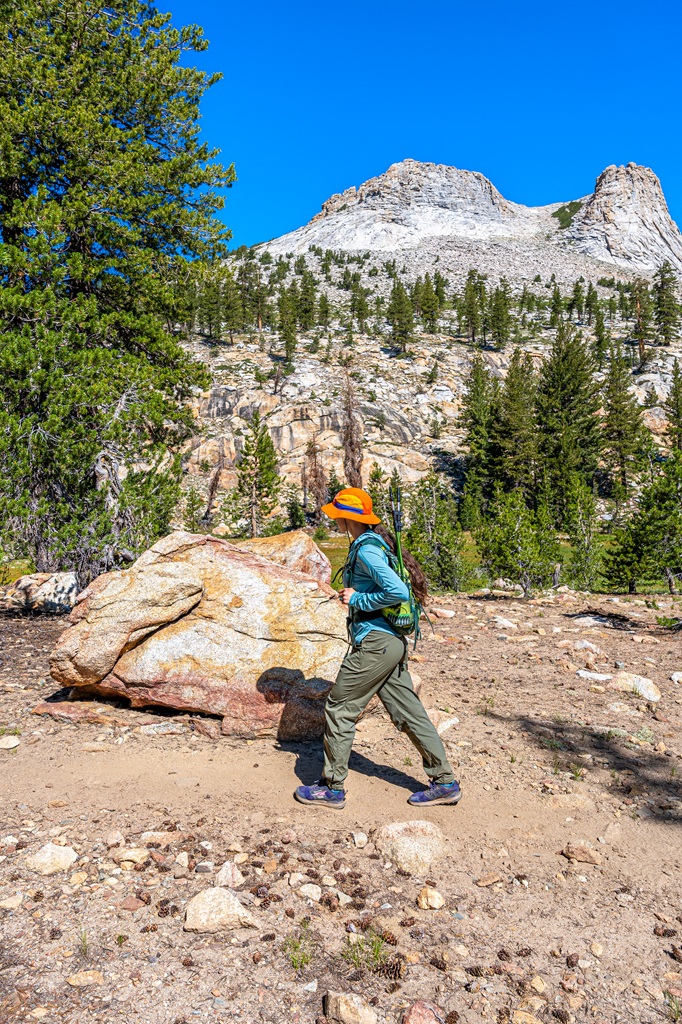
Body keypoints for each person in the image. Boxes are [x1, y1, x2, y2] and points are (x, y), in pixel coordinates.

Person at [294, 486, 462, 810]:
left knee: (340, 707)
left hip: (375, 644)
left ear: (347, 518)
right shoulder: (375, 543)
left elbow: (397, 591)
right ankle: (445, 783)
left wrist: (357, 598)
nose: (334, 521)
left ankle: (332, 788)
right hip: (391, 645)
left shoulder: (367, 549)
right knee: (410, 713)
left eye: (337, 516)